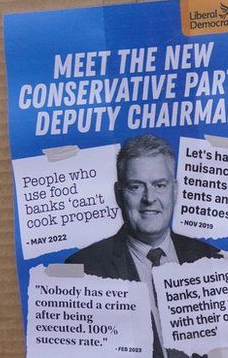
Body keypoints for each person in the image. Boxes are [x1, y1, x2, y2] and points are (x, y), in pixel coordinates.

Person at [66, 134, 220, 358]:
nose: (149, 198)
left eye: (159, 185)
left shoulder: (214, 260)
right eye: (136, 187)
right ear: (119, 195)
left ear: (175, 191)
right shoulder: (84, 270)